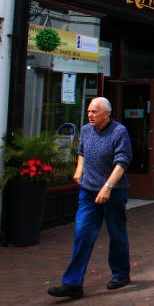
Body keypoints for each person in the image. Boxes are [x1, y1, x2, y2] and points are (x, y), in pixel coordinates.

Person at [48, 97, 133, 299]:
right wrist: (79, 169)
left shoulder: (119, 132)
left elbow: (122, 162)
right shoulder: (86, 130)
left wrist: (108, 187)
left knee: (117, 233)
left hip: (113, 192)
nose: (90, 115)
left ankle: (121, 274)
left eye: (94, 112)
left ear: (106, 114)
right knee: (82, 234)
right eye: (89, 111)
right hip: (88, 191)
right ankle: (72, 283)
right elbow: (82, 152)